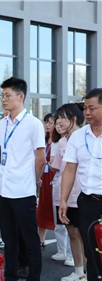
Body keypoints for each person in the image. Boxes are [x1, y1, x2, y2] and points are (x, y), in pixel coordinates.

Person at [0, 77, 45, 281]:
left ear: (21, 96)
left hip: (23, 190)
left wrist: (32, 181)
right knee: (9, 239)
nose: (3, 99)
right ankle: (10, 275)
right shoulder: (3, 123)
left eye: (7, 96)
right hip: (2, 189)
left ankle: (34, 277)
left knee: (29, 239)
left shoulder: (33, 124)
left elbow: (40, 158)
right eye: (2, 96)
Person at [59, 88, 102, 281]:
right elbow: (69, 169)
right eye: (85, 108)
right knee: (91, 251)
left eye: (91, 108)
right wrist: (63, 200)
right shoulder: (78, 136)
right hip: (88, 201)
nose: (86, 113)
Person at [52, 104, 85, 281]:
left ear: (74, 118)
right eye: (58, 118)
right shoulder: (63, 142)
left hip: (83, 194)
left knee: (86, 235)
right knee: (72, 233)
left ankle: (89, 272)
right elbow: (58, 167)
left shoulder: (85, 137)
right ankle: (79, 272)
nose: (59, 121)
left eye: (63, 117)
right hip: (64, 194)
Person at [50, 118, 73, 267]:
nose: (58, 127)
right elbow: (55, 166)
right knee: (59, 221)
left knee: (72, 225)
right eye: (56, 125)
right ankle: (61, 250)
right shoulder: (60, 142)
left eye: (61, 123)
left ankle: (72, 256)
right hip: (59, 183)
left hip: (73, 186)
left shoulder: (76, 140)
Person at [37, 113, 56, 247]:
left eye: (50, 122)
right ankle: (41, 239)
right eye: (46, 122)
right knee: (42, 207)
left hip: (54, 177)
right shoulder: (42, 141)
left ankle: (63, 246)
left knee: (55, 207)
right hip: (43, 176)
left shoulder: (58, 142)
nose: (47, 125)